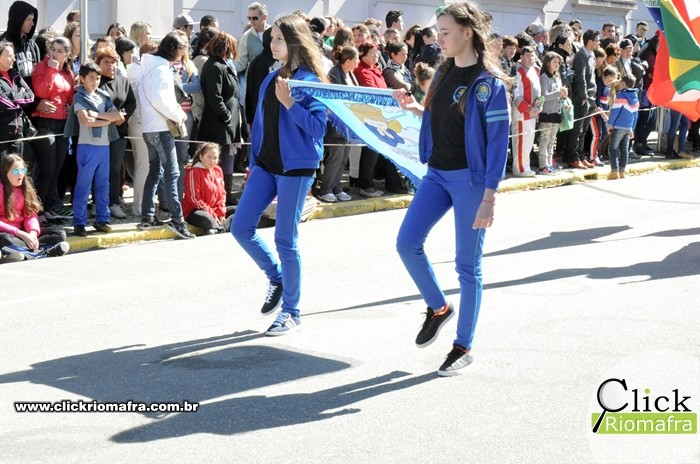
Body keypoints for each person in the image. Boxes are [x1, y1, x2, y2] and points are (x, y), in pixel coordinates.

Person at [393, 2, 510, 376]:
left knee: (467, 266)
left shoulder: (490, 84)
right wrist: (414, 108)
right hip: (437, 175)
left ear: (467, 33)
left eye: (445, 32)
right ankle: (439, 307)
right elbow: (439, 117)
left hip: (471, 182)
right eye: (438, 32)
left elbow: (498, 144)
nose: (438, 38)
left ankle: (463, 346)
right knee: (406, 243)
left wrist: (489, 197)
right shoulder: (443, 71)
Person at [230, 14, 328, 336]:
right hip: (265, 165)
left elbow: (318, 129)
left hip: (296, 168)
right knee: (240, 227)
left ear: (295, 42)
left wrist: (291, 104)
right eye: (271, 38)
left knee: (285, 239)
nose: (272, 44)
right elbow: (259, 126)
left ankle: (292, 312)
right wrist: (253, 164)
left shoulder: (310, 82)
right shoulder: (270, 78)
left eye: (278, 39)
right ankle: (276, 277)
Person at [136, 32, 195, 239]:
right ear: (174, 48)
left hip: (150, 127)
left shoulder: (150, 66)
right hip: (161, 128)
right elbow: (159, 98)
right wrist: (178, 115)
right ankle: (178, 221)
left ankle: (147, 216)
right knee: (172, 173)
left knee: (156, 172)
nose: (183, 52)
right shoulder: (160, 69)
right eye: (182, 48)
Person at [64, 63, 124, 236]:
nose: (95, 82)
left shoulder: (104, 96)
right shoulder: (79, 97)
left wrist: (97, 115)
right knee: (83, 186)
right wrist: (107, 119)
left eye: (97, 78)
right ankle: (79, 222)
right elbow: (86, 121)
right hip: (87, 147)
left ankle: (102, 219)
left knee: (103, 185)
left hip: (104, 146)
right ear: (82, 79)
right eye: (91, 78)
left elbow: (118, 117)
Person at [30, 36, 74, 219]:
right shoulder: (42, 67)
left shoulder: (68, 72)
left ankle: (47, 208)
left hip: (62, 125)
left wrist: (70, 105)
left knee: (56, 171)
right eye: (53, 49)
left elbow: (69, 97)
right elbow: (40, 91)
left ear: (67, 54)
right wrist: (51, 69)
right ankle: (36, 211)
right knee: (46, 170)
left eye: (60, 51)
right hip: (44, 123)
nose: (55, 54)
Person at [198, 31, 242, 206]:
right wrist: (226, 114)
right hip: (218, 124)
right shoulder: (214, 66)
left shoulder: (222, 64)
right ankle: (218, 196)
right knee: (217, 161)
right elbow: (214, 96)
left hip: (226, 124)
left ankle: (226, 194)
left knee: (227, 160)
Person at [0, 154, 69, 262]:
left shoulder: (26, 188)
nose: (21, 174)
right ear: (5, 173)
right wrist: (20, 233)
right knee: (4, 239)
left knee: (60, 234)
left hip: (23, 233)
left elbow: (31, 215)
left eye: (23, 170)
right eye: (16, 171)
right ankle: (41, 252)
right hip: (7, 233)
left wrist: (32, 234)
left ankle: (24, 252)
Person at [96, 47, 136, 219]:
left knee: (115, 168)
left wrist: (122, 116)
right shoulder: (95, 81)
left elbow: (131, 102)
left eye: (113, 62)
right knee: (98, 168)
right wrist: (110, 117)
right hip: (98, 131)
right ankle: (98, 202)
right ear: (98, 63)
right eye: (106, 62)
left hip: (119, 131)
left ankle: (113, 202)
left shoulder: (123, 81)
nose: (110, 65)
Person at [316, 45, 359, 203]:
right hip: (335, 124)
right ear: (348, 61)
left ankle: (337, 187)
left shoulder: (350, 74)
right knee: (335, 157)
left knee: (343, 158)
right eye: (356, 59)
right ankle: (326, 189)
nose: (358, 62)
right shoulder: (334, 74)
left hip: (347, 124)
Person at [182, 142, 235, 234]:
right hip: (196, 210)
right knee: (207, 219)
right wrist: (212, 213)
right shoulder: (194, 172)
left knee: (241, 211)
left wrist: (221, 212)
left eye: (215, 158)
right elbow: (194, 198)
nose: (212, 160)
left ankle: (220, 228)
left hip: (215, 209)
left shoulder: (218, 170)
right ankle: (222, 227)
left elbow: (222, 194)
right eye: (209, 157)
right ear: (201, 157)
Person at [567, 29, 599, 169]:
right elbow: (581, 78)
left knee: (584, 130)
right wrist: (584, 97)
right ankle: (573, 157)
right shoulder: (581, 55)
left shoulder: (591, 55)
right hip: (582, 98)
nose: (598, 43)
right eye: (596, 40)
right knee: (577, 130)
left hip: (591, 97)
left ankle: (580, 156)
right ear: (589, 41)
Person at [0, 41, 34, 159]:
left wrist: (10, 96)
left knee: (16, 166)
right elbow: (1, 101)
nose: (14, 59)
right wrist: (18, 97)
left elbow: (31, 96)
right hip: (2, 133)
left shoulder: (14, 74)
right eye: (10, 56)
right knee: (3, 167)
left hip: (18, 131)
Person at [511, 45, 540, 177]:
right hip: (522, 113)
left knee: (528, 142)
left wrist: (538, 107)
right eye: (527, 55)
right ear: (521, 56)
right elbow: (516, 94)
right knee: (521, 141)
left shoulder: (535, 70)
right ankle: (520, 168)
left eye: (532, 55)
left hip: (533, 113)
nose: (530, 58)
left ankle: (525, 166)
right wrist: (528, 108)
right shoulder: (519, 71)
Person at [538, 51, 567, 175]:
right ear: (548, 63)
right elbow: (544, 96)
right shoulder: (544, 77)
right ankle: (542, 165)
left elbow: (559, 96)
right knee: (544, 141)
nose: (557, 65)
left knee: (551, 141)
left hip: (556, 112)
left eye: (558, 62)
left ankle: (549, 164)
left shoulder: (557, 76)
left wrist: (563, 97)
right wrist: (559, 92)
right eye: (554, 62)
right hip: (547, 113)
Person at [607, 74, 638, 179]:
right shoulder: (635, 97)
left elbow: (615, 112)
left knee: (613, 148)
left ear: (623, 84)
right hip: (628, 127)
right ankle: (622, 171)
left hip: (618, 126)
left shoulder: (621, 96)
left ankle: (614, 171)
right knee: (624, 150)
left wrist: (610, 124)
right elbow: (635, 115)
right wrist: (632, 128)